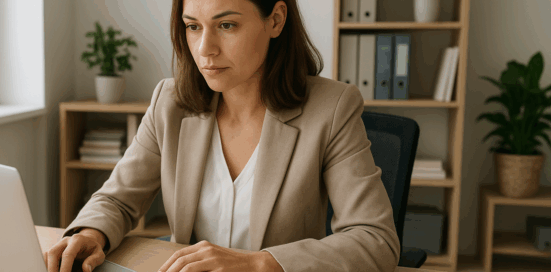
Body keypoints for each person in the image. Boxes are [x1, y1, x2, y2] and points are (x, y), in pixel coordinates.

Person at [44, 0, 401, 271]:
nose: (204, 49)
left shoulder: (332, 108)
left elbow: (375, 239)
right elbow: (118, 200)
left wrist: (258, 264)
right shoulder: (170, 102)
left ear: (275, 20)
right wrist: (92, 234)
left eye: (226, 25)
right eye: (192, 27)